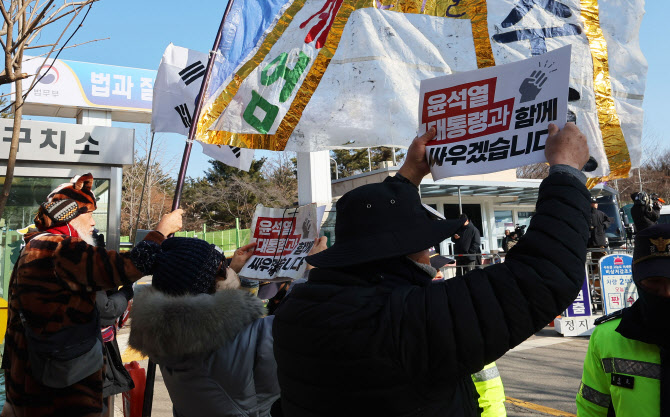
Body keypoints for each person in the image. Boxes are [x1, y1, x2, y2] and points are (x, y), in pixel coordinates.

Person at [272, 122, 591, 417]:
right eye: (423, 243)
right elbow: (544, 275)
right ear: (404, 252)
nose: (429, 251)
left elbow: (381, 224)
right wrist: (566, 172)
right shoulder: (406, 320)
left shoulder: (297, 312)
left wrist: (409, 174)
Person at [0, 173, 183, 417]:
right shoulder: (61, 248)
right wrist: (161, 231)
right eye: (88, 214)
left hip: (29, 380)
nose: (93, 222)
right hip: (62, 391)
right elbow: (129, 266)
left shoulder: (35, 245)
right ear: (68, 215)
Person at [128, 238, 278, 417]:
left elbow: (198, 289)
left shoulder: (167, 334)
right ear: (211, 285)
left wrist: (229, 274)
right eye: (224, 267)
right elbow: (304, 332)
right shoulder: (242, 336)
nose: (230, 269)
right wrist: (315, 270)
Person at [576, 224, 670, 416]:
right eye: (654, 281)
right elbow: (591, 409)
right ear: (636, 278)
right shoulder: (607, 336)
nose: (667, 292)